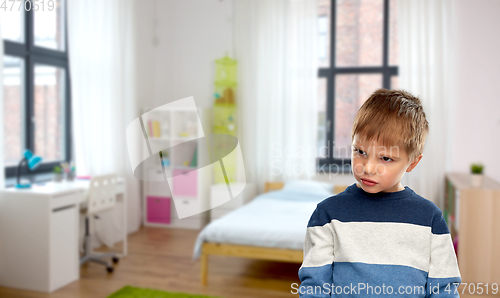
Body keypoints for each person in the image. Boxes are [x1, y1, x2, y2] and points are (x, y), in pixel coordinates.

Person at [297, 89, 461, 297]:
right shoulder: (327, 214)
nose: (368, 167)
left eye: (385, 158)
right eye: (361, 152)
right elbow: (315, 287)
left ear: (412, 162)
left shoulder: (430, 219)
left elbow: (444, 289)